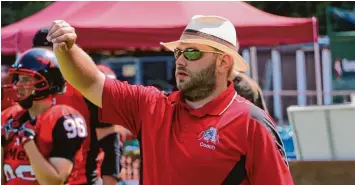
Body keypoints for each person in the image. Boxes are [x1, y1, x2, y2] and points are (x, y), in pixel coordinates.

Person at [47, 15, 293, 185]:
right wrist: (66, 49)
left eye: (192, 52)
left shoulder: (252, 123)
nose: (181, 60)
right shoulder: (152, 106)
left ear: (223, 61)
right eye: (178, 51)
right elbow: (89, 83)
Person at [33, 28, 124, 185]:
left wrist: (110, 181)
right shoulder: (29, 87)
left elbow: (110, 140)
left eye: (51, 54)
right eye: (40, 56)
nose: (45, 62)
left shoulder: (85, 85)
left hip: (81, 179)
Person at [1, 48, 88, 185]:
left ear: (47, 82)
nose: (18, 85)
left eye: (25, 79)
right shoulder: (10, 117)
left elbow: (53, 182)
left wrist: (27, 142)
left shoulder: (63, 118)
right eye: (18, 79)